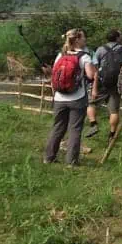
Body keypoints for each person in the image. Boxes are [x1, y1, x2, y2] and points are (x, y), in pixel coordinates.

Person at [44, 28, 97, 165]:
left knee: (57, 128)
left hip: (59, 98)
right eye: (83, 37)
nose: (85, 40)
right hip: (77, 98)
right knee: (75, 129)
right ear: (78, 40)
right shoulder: (84, 56)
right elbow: (91, 75)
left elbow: (54, 75)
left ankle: (49, 158)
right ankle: (71, 162)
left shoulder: (60, 56)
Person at [87, 29, 122, 142]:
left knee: (91, 104)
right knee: (114, 111)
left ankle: (93, 124)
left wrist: (94, 87)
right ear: (117, 38)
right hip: (116, 84)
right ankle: (112, 134)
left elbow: (95, 68)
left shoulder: (100, 49)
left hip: (101, 82)